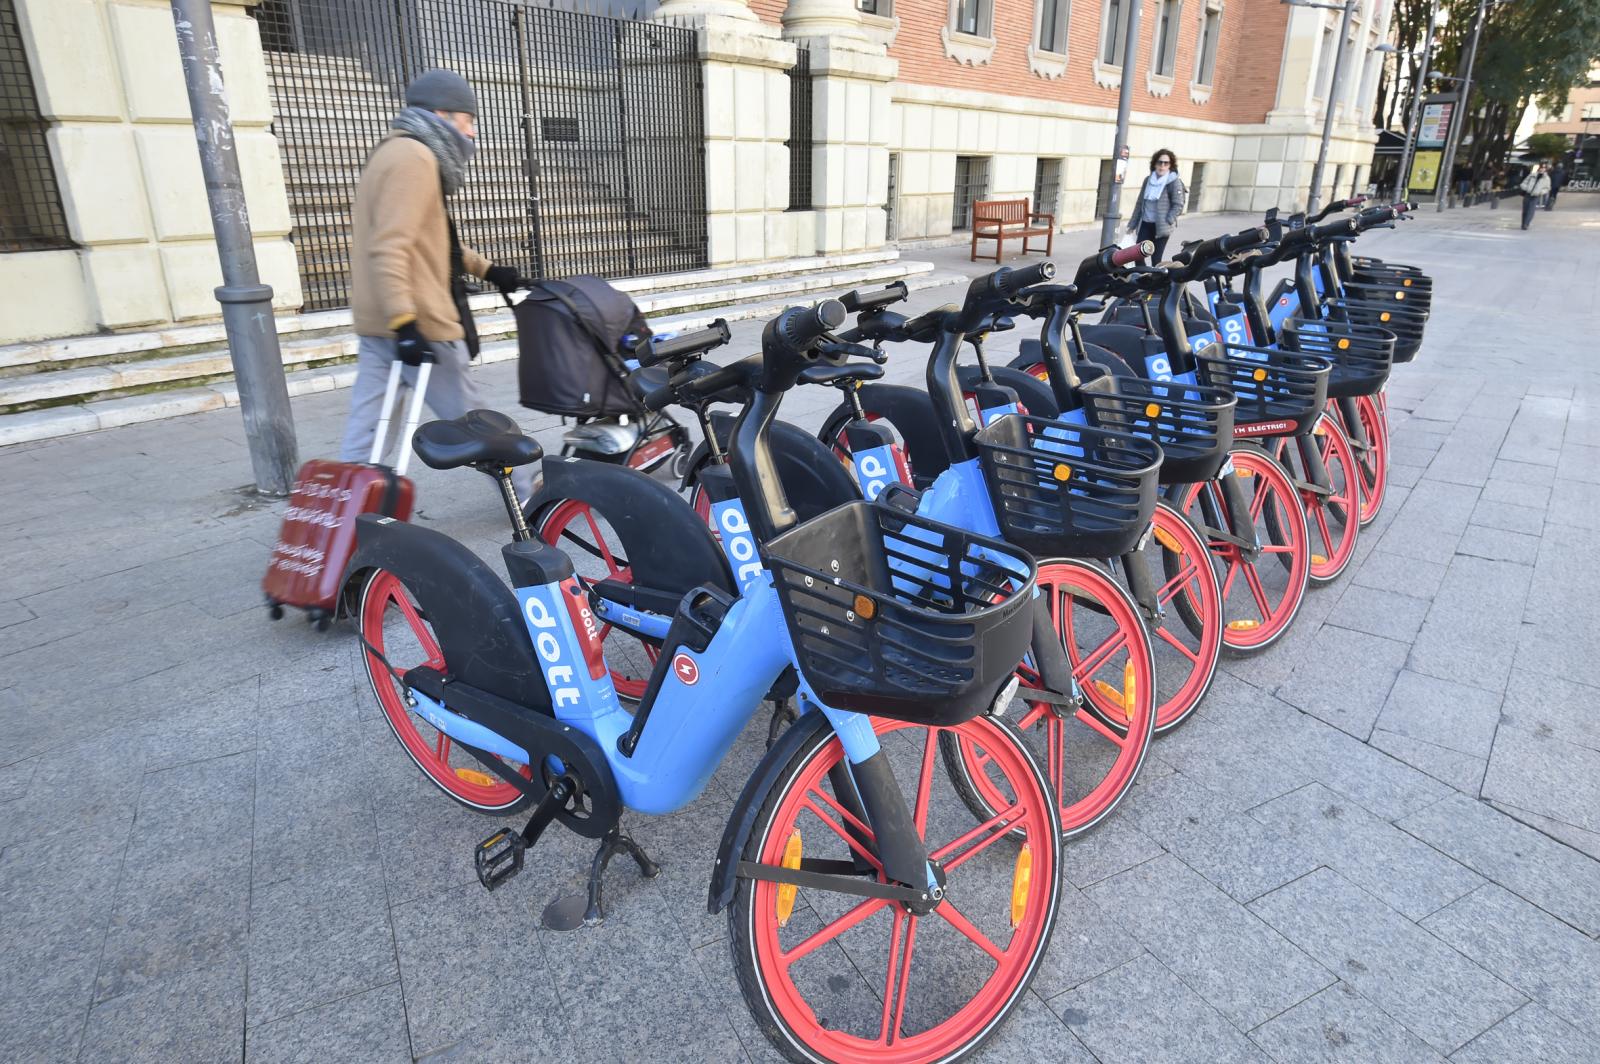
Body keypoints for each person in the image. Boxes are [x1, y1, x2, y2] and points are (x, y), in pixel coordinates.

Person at [337, 69, 523, 479]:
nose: (471, 132)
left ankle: (348, 509)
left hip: (378, 321)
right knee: (476, 423)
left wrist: (490, 270)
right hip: (420, 321)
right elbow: (390, 245)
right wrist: (406, 322)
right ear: (443, 113)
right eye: (468, 120)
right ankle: (531, 493)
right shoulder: (415, 158)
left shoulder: (391, 152)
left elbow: (433, 241)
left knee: (366, 432)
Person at [1127, 148, 1187, 262]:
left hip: (1161, 227)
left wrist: (1168, 219)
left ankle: (1157, 279)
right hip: (1145, 224)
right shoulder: (1148, 180)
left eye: (1166, 163)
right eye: (1160, 162)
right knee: (1138, 256)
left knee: (1156, 259)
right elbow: (1140, 204)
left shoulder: (1173, 182)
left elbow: (1178, 204)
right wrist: (1132, 224)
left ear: (1170, 165)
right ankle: (1143, 279)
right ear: (1155, 164)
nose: (1162, 165)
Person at [1518, 163, 1552, 230]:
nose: (1542, 169)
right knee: (1525, 210)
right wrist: (1527, 188)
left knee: (1531, 210)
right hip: (1527, 194)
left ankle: (1526, 224)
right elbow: (1523, 183)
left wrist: (1540, 192)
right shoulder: (1532, 175)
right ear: (1539, 168)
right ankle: (1523, 223)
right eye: (1541, 168)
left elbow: (1547, 188)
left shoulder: (1547, 178)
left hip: (1536, 195)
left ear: (1546, 169)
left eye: (1544, 168)